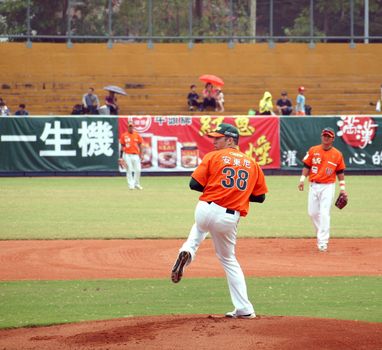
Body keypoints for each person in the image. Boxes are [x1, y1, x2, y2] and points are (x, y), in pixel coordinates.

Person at [171, 123, 268, 319]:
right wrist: (236, 193)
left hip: (205, 208)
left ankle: (188, 251)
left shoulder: (213, 157)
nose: (214, 141)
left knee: (199, 227)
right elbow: (260, 197)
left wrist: (217, 188)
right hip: (228, 218)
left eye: (218, 138)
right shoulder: (252, 163)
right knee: (229, 260)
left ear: (230, 140)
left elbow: (193, 184)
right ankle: (244, 309)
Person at [298, 127, 347, 252]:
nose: (326, 138)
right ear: (321, 136)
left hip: (328, 187)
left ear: (332, 139)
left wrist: (342, 188)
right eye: (324, 135)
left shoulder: (337, 154)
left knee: (324, 213)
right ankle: (321, 233)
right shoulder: (313, 150)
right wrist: (302, 179)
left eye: (328, 136)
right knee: (312, 213)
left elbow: (340, 172)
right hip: (313, 185)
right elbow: (307, 165)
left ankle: (323, 242)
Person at [119, 121, 143, 190]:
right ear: (128, 127)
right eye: (129, 126)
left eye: (132, 126)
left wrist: (141, 154)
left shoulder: (137, 135)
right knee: (129, 170)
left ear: (133, 127)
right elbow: (122, 146)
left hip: (136, 155)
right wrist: (121, 157)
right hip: (127, 155)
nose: (131, 128)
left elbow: (140, 144)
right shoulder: (124, 135)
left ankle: (136, 184)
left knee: (138, 170)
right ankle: (131, 185)